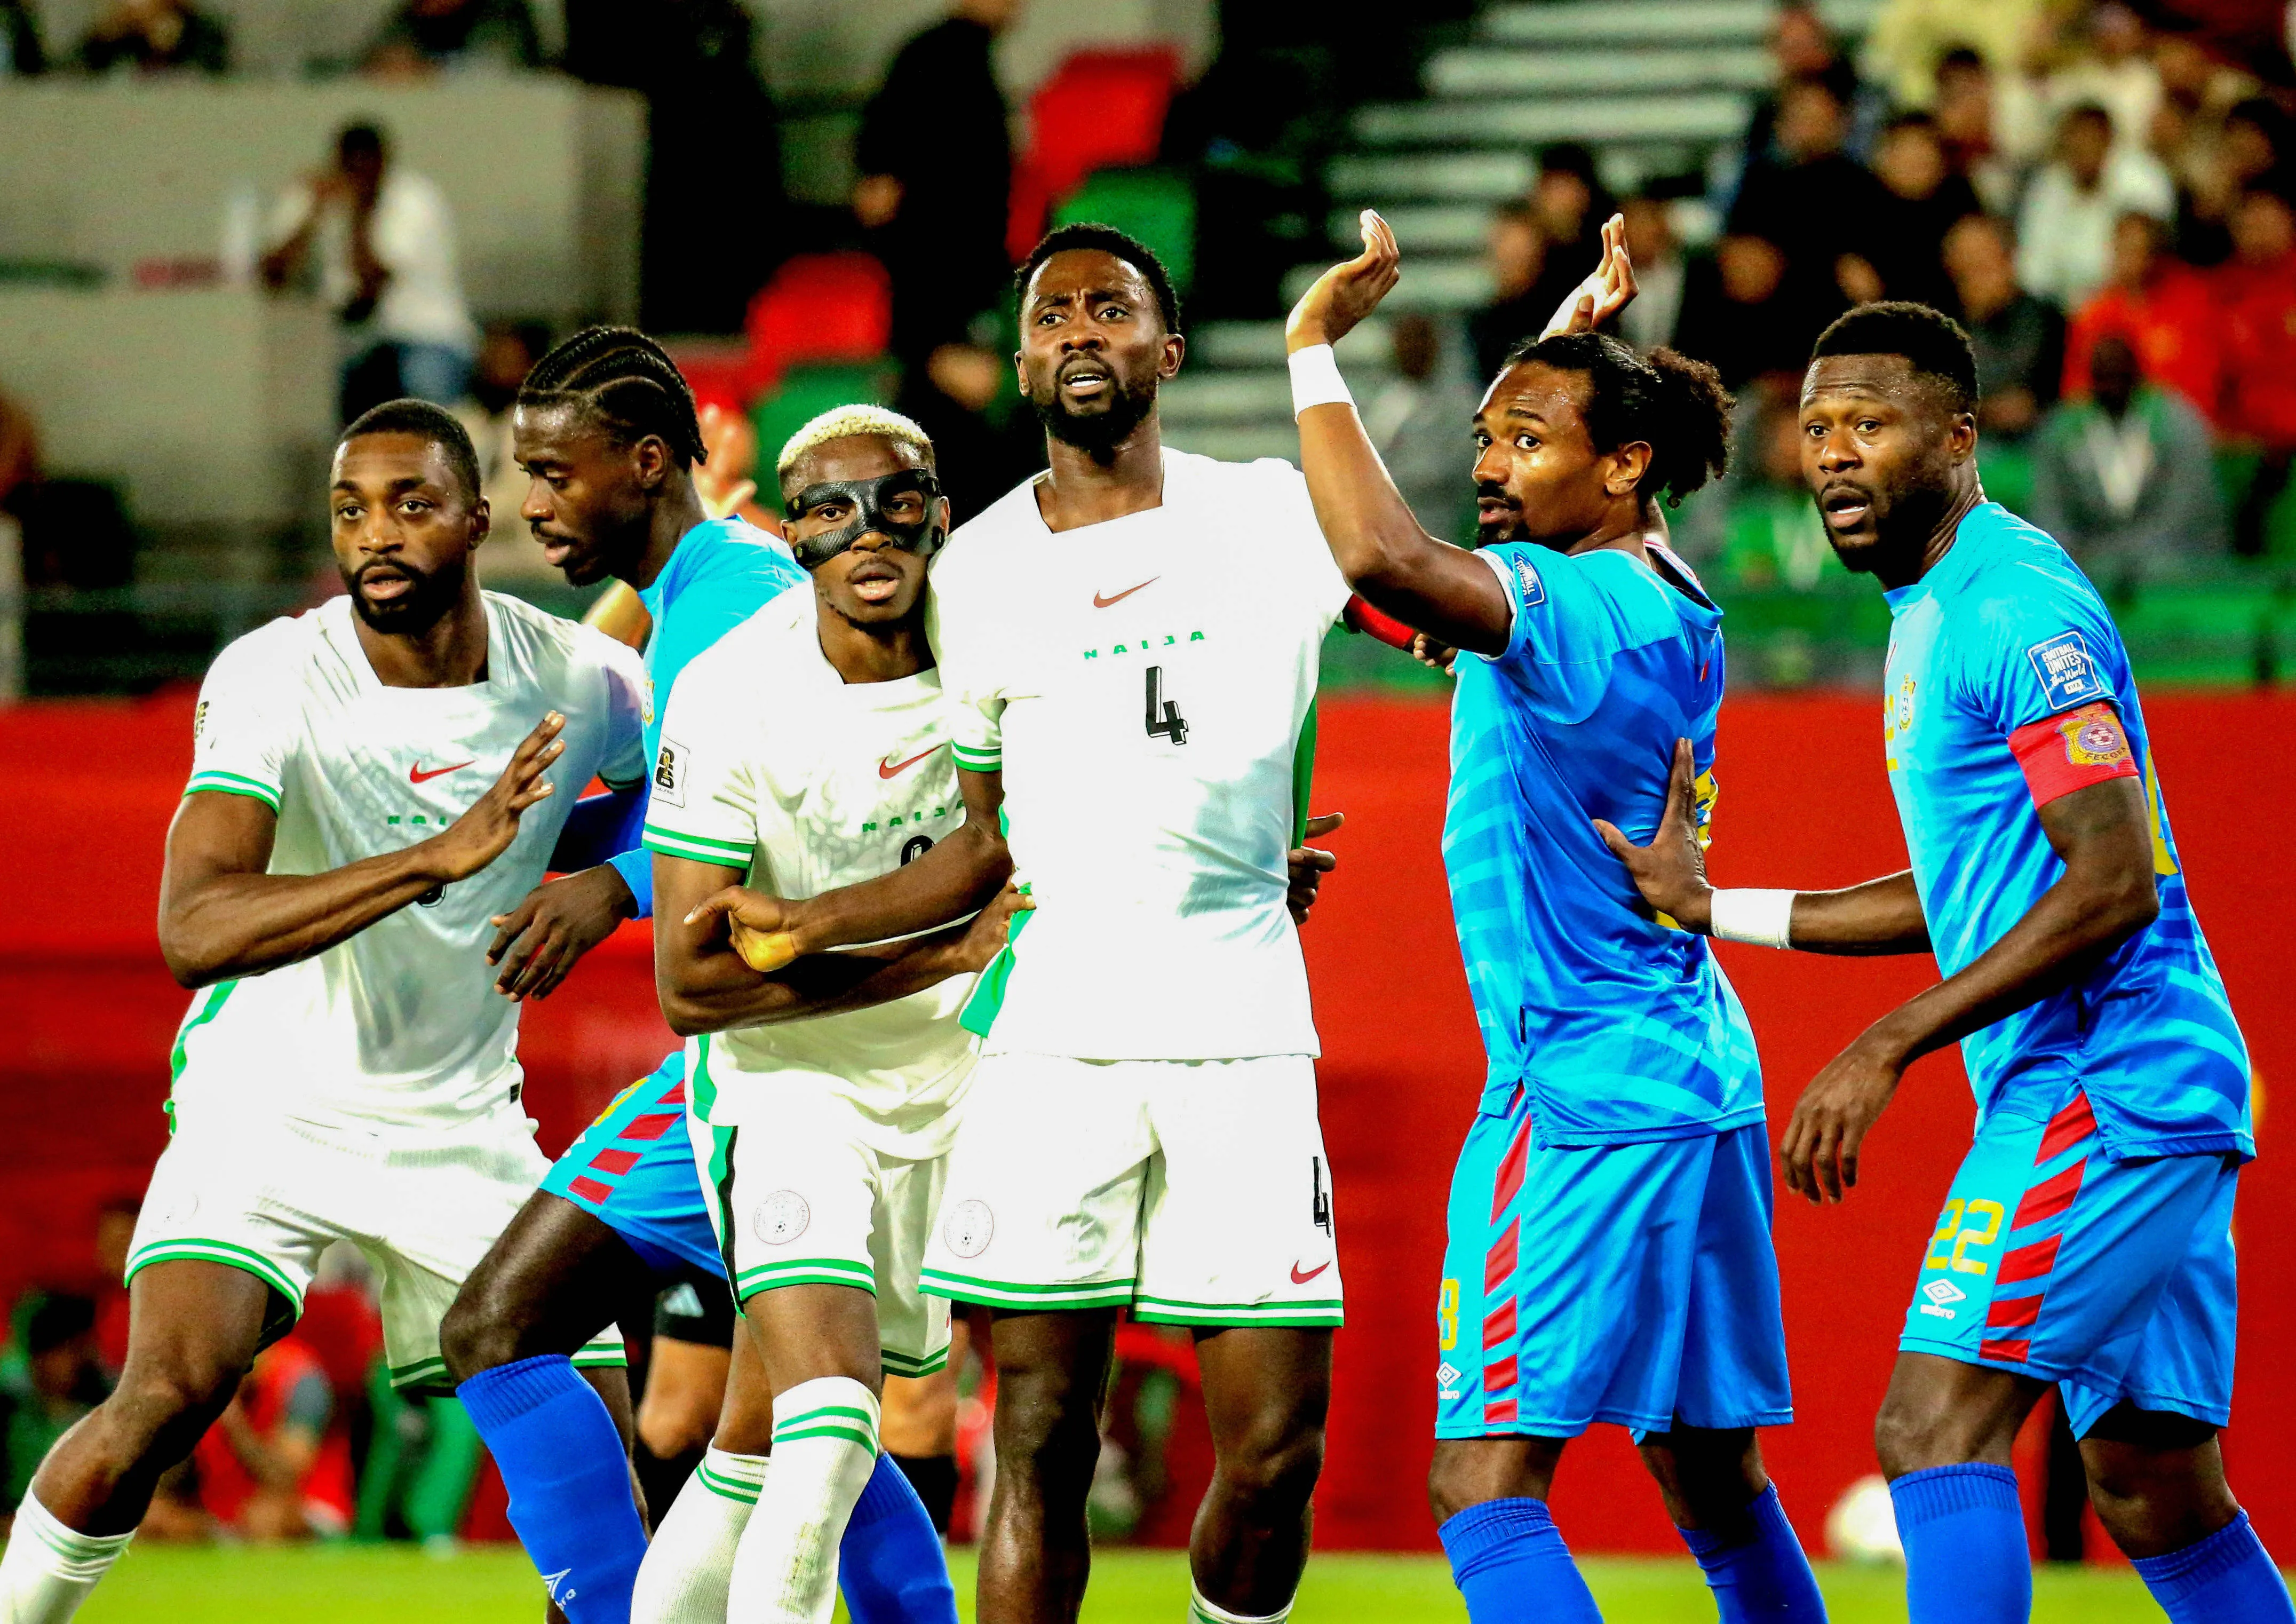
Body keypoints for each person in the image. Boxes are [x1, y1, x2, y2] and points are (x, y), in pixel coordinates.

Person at [695, 223, 1353, 1624]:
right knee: (1040, 1439)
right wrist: (815, 918)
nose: (1076, 332)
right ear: (1019, 362)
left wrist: (1263, 839)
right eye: (1049, 314)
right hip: (1050, 1051)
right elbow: (986, 842)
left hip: (1242, 1031)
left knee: (1275, 1449)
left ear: (1165, 351)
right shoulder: (974, 575)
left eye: (1108, 309)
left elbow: (1390, 598)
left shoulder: (1266, 514)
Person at [1609, 300, 2290, 1624]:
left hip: (2112, 1079)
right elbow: (1972, 891)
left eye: (1871, 422)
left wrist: (1888, 1037)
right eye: (1814, 429)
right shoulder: (1931, 605)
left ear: (1960, 438)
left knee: (1932, 1429)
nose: (1834, 455)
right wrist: (1717, 907)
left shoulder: (2013, 607)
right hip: (2136, 1081)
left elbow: (2108, 881)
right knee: (2152, 1480)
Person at [0, 399, 652, 1624]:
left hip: (462, 1118)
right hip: (271, 1096)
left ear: (476, 517)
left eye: (411, 504)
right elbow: (193, 927)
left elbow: (685, 805)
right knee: (170, 1390)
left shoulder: (580, 677)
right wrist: (437, 856)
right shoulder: (275, 673)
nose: (376, 535)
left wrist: (580, 880)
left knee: (597, 1471)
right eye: (351, 509)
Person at [1284, 209, 1825, 1624]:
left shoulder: (1562, 598)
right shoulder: (1662, 587)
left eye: (1521, 445)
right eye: (1483, 440)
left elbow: (1380, 557)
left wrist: (1305, 355)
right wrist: (1569, 343)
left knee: (1479, 1481)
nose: (1484, 466)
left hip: (1575, 1088)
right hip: (1692, 1070)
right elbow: (1463, 595)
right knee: (1706, 1471)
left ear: (1623, 466)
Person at [432, 327, 960, 1624]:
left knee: (505, 1330)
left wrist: (606, 883)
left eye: (556, 473)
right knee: (772, 1423)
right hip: (771, 1040)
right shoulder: (696, 592)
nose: (531, 503)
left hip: (782, 1045)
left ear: (648, 462)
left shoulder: (736, 601)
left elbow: (740, 825)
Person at [642, 405, 1029, 1622]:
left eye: (896, 500)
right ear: (790, 536)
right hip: (782, 1084)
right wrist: (939, 952)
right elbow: (691, 984)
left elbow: (1032, 845)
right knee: (828, 1427)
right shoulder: (730, 691)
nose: (866, 531)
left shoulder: (1007, 658)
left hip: (965, 1087)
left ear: (940, 518)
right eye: (826, 508)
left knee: (757, 1435)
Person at [261, 123, 480, 424]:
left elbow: (371, 285)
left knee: (427, 418)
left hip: (425, 336)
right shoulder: (319, 193)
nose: (359, 176)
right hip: (357, 341)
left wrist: (359, 212)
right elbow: (273, 273)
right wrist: (313, 213)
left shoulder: (414, 199)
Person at [854, 0, 1021, 365]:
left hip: (960, 264)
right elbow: (883, 168)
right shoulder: (936, 58)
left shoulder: (963, 56)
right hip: (938, 268)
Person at [2031, 330, 2228, 582]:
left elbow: (2186, 513)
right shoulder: (2062, 431)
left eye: (2120, 375)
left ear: (2138, 373)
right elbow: (2051, 513)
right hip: (2089, 567)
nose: (2112, 384)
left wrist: (2124, 557)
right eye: (2104, 376)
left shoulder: (2178, 424)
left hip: (2169, 564)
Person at [2015, 103, 2175, 311]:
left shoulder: (2144, 179)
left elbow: (2151, 258)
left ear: (2109, 140)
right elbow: (2033, 268)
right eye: (2074, 143)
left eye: (2091, 140)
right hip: (2061, 312)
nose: (2082, 149)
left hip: (2134, 304)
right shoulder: (2048, 186)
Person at [2061, 212, 2218, 419]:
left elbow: (2203, 385)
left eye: (2136, 251)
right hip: (2110, 431)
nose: (2126, 261)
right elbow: (2076, 392)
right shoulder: (2094, 314)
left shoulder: (2191, 304)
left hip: (2174, 427)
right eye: (2121, 250)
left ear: (2157, 255)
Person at [2212, 189, 2296, 556]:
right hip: (2235, 452)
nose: (2258, 231)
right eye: (2249, 223)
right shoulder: (2220, 292)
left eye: (2267, 220)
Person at [1942, 214, 2064, 442]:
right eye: (1967, 270)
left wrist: (2033, 402)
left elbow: (2062, 389)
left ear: (2008, 261)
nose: (1976, 279)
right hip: (1976, 440)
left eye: (1984, 266)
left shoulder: (2048, 318)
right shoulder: (1942, 331)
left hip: (2041, 434)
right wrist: (1986, 411)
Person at [1857, 113, 1982, 312]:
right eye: (1906, 148)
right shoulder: (1859, 203)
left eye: (1926, 146)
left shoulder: (1960, 198)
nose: (1918, 158)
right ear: (1884, 157)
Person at [364, 0, 541, 76]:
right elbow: (370, 64)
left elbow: (501, 69)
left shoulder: (503, 12)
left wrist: (431, 72)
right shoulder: (409, 17)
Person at [76, 0, 226, 74]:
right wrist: (109, 36)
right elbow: (86, 75)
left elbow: (216, 73)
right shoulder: (114, 36)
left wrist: (170, 43)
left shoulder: (202, 31)